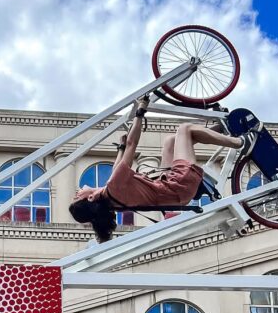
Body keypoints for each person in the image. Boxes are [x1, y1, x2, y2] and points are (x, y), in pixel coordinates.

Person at [69, 97, 254, 243]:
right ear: (91, 198)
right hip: (179, 184)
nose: (77, 192)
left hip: (169, 184)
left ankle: (220, 130)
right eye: (78, 196)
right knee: (184, 129)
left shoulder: (112, 195)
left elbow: (119, 164)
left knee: (170, 142)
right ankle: (241, 143)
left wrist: (120, 147)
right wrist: (140, 112)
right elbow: (134, 144)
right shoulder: (114, 187)